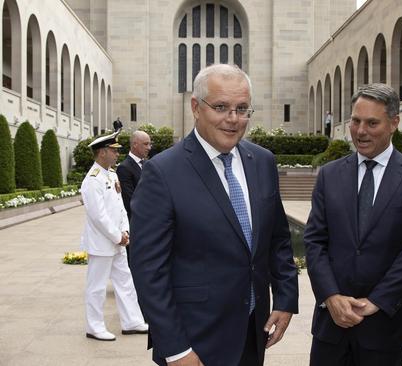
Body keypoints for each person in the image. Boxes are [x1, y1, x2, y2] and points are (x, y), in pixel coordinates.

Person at [129, 64, 299, 366]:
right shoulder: (163, 172)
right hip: (194, 341)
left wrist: (286, 299)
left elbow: (278, 240)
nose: (233, 119)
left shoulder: (262, 161)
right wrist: (176, 349)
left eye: (242, 108)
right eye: (221, 107)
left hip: (252, 331)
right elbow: (148, 270)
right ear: (196, 107)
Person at [304, 83, 402, 366]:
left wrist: (376, 301)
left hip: (385, 327)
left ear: (394, 123)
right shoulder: (330, 175)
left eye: (372, 123)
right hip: (332, 326)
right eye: (355, 121)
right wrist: (330, 296)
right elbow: (315, 241)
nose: (360, 131)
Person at [80, 131, 148, 341]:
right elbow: (98, 216)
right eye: (113, 150)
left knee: (125, 281)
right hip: (102, 243)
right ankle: (94, 326)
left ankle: (132, 321)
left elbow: (119, 207)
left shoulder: (111, 174)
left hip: (118, 240)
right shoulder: (92, 180)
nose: (117, 154)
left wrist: (125, 230)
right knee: (97, 286)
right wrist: (117, 235)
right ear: (102, 153)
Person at [116, 130, 151, 262]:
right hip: (136, 223)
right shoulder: (124, 168)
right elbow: (129, 200)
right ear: (135, 144)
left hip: (149, 222)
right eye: (146, 144)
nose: (149, 147)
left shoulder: (148, 164)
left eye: (149, 144)